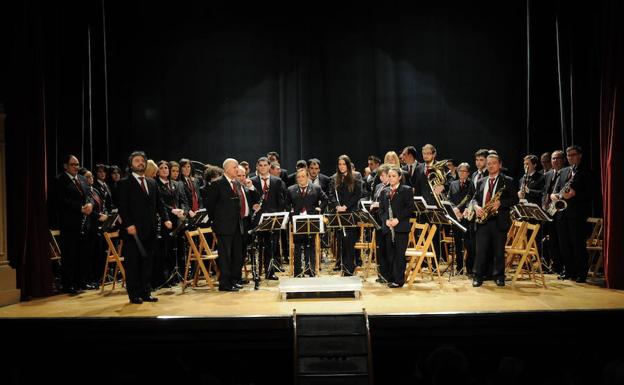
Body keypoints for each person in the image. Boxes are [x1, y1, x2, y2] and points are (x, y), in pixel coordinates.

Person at [118, 151, 172, 303]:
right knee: (134, 263)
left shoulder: (152, 182)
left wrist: (166, 218)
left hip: (150, 229)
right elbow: (123, 206)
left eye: (143, 160)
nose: (140, 163)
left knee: (148, 263)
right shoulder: (124, 182)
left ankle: (145, 292)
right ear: (131, 164)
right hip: (133, 231)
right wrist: (128, 224)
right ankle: (134, 294)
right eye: (137, 160)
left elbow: (159, 204)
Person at [471, 153, 518, 287]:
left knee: (498, 251)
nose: (490, 165)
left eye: (493, 163)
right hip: (483, 220)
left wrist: (500, 203)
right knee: (480, 251)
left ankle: (499, 276)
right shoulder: (481, 181)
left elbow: (515, 199)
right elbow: (474, 198)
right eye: (489, 163)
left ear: (500, 165)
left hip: (499, 220)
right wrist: (476, 206)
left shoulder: (507, 180)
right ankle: (477, 276)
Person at [550, 145, 593, 283]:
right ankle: (568, 271)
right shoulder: (563, 171)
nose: (570, 158)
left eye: (572, 155)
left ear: (579, 155)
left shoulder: (587, 173)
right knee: (564, 244)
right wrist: (554, 196)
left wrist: (576, 194)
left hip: (577, 215)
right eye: (568, 155)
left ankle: (581, 273)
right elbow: (555, 189)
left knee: (577, 244)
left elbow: (591, 195)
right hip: (562, 214)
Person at [204, 158, 247, 291]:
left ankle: (234, 280)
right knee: (225, 256)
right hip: (224, 226)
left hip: (237, 226)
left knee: (236, 255)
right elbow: (210, 205)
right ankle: (225, 284)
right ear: (227, 169)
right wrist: (217, 220)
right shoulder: (217, 184)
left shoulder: (237, 184)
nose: (237, 169)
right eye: (235, 167)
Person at [55, 155, 94, 294]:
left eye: (77, 164)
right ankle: (68, 284)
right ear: (65, 166)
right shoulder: (60, 180)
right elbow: (61, 200)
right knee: (70, 255)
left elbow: (89, 195)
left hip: (84, 223)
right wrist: (79, 208)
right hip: (69, 223)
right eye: (73, 164)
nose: (76, 167)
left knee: (82, 254)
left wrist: (90, 204)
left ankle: (81, 282)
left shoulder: (82, 179)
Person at [285, 169, 328, 277]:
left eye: (303, 176)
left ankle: (311, 269)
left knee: (311, 245)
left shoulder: (316, 188)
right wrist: (291, 213)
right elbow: (286, 204)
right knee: (298, 246)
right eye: (298, 177)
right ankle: (298, 271)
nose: (300, 179)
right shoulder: (291, 189)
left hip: (311, 220)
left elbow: (325, 200)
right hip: (297, 221)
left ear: (307, 177)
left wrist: (320, 209)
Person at [250, 157, 286, 279]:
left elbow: (281, 202)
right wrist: (252, 207)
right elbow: (249, 201)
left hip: (273, 219)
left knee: (272, 246)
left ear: (269, 167)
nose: (263, 167)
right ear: (257, 167)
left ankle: (270, 272)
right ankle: (257, 273)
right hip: (258, 220)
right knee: (258, 246)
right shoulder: (252, 181)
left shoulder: (277, 181)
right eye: (260, 165)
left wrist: (279, 218)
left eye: (265, 165)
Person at [378, 166, 413, 288]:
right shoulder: (384, 191)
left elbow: (409, 209)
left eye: (394, 176)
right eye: (389, 176)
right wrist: (386, 220)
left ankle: (399, 280)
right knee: (390, 254)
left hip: (401, 227)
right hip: (388, 227)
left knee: (399, 254)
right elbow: (381, 210)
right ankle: (391, 278)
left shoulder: (407, 190)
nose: (391, 178)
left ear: (399, 177)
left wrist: (398, 219)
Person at [329, 155, 362, 276]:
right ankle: (344, 267)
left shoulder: (356, 176)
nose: (341, 166)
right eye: (339, 164)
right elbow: (331, 195)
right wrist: (337, 206)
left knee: (350, 241)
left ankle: (350, 268)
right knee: (341, 241)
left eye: (344, 164)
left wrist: (346, 207)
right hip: (339, 213)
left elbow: (358, 194)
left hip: (351, 213)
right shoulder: (334, 178)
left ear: (348, 164)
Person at [448, 162, 475, 274]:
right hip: (456, 217)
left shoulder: (472, 184)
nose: (461, 173)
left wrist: (461, 210)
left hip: (466, 216)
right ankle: (459, 267)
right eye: (460, 171)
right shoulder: (453, 184)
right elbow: (449, 198)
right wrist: (455, 210)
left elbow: (471, 199)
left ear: (468, 173)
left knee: (468, 243)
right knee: (457, 243)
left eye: (464, 171)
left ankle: (469, 268)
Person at [541, 150, 564, 273]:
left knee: (561, 241)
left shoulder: (565, 172)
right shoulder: (548, 174)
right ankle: (554, 266)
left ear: (563, 160)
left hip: (560, 212)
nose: (555, 161)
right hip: (549, 211)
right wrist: (544, 204)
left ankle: (562, 267)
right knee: (551, 240)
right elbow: (545, 191)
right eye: (553, 159)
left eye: (558, 158)